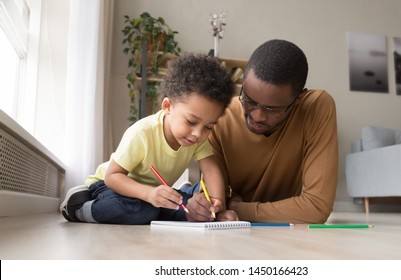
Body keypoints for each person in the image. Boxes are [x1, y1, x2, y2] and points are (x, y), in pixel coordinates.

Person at [60, 53, 237, 224]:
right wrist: (148, 195)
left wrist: (215, 209)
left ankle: (173, 200)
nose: (198, 134)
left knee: (194, 208)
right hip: (112, 187)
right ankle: (79, 208)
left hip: (154, 195)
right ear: (168, 106)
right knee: (142, 210)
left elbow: (212, 171)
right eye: (191, 121)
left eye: (209, 127)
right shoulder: (143, 133)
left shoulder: (197, 138)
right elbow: (112, 177)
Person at [186, 39, 338, 224]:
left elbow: (316, 208)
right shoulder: (220, 116)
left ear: (298, 100)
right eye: (249, 100)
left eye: (272, 109)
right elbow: (216, 203)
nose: (257, 116)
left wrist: (238, 209)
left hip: (278, 231)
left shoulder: (316, 107)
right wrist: (203, 207)